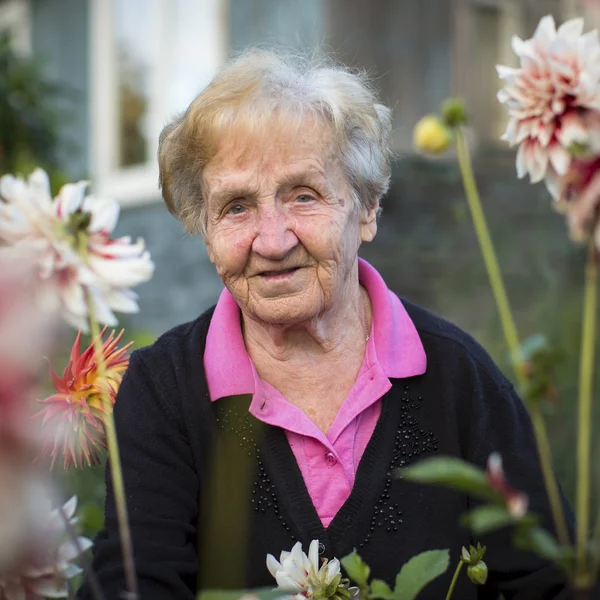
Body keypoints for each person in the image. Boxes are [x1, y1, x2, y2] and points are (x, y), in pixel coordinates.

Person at [79, 50, 575, 600]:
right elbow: (133, 585)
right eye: (237, 207)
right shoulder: (164, 389)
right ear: (204, 227)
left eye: (303, 195)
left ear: (366, 210)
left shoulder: (457, 377)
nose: (272, 240)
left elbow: (551, 581)